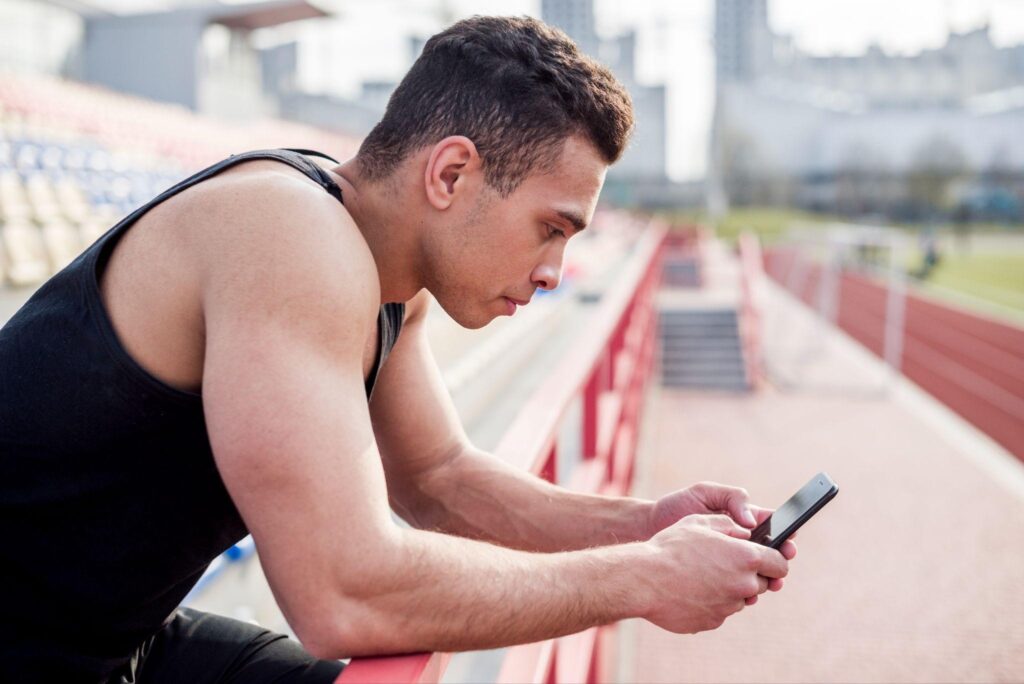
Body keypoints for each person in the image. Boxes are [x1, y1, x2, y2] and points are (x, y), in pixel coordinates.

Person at [0, 15, 795, 684]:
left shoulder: (385, 276)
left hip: (109, 637)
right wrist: (643, 579)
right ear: (450, 172)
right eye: (550, 228)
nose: (554, 272)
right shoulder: (287, 235)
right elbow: (341, 593)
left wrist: (644, 525)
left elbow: (438, 479)